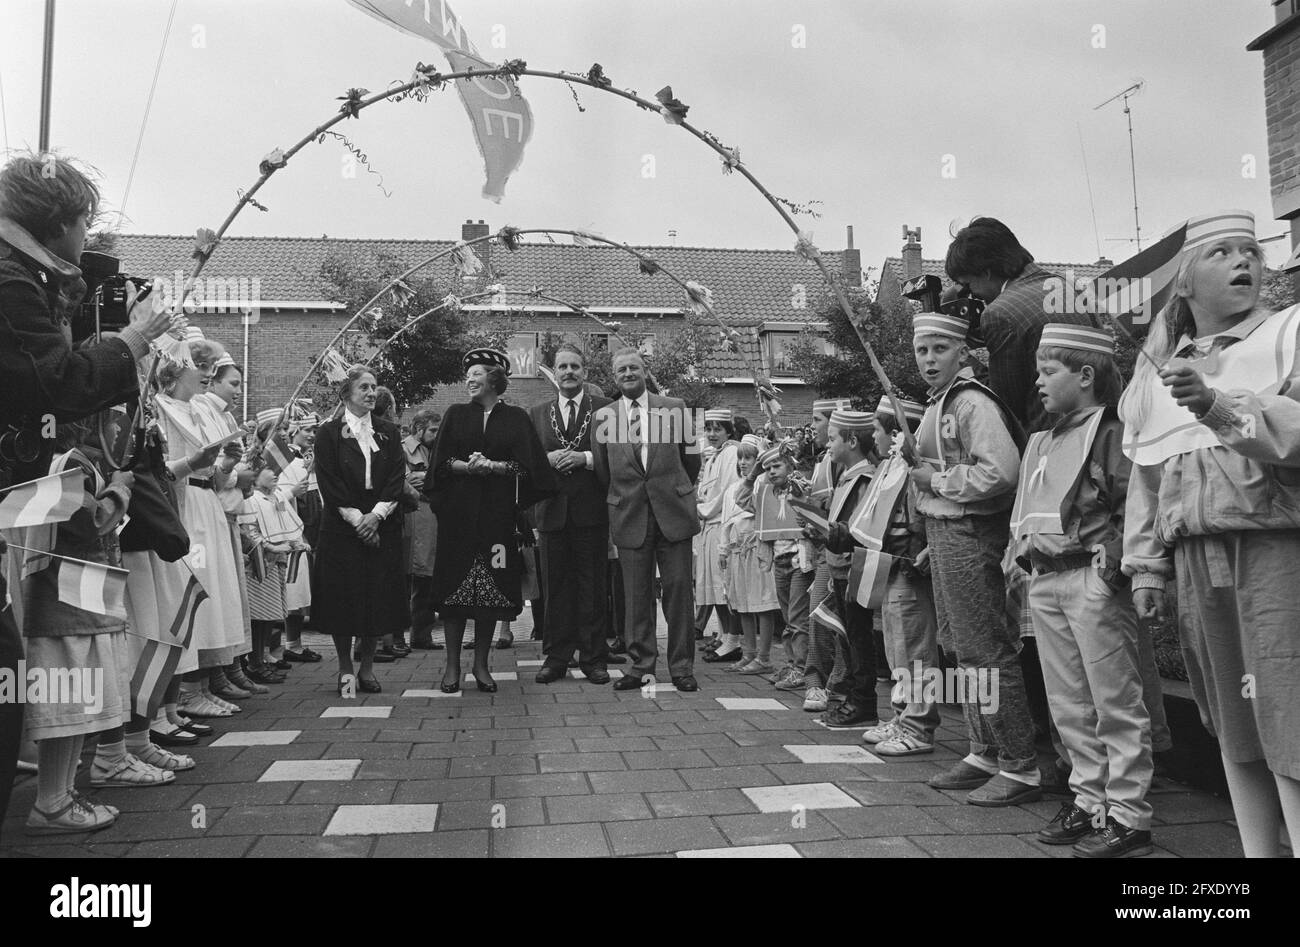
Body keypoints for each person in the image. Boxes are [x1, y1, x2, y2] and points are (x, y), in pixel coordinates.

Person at [0, 152, 177, 837]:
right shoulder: (15, 283)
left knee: (82, 642)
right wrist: (130, 338)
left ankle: (76, 775)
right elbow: (63, 383)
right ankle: (55, 793)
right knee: (53, 647)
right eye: (85, 223)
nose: (87, 239)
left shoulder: (32, 279)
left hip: (60, 503)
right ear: (61, 222)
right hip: (38, 505)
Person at [1122, 210, 1300, 858]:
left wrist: (1219, 405)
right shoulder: (1161, 371)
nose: (1243, 262)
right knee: (1232, 720)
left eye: (1250, 250)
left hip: (1275, 548)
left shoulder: (1288, 336)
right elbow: (1147, 477)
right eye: (1222, 252)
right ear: (1185, 282)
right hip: (1199, 559)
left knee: (1289, 712)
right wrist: (1146, 565)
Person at [1006, 323, 1154, 857]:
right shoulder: (1042, 437)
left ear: (1086, 376)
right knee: (1068, 703)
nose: (1039, 383)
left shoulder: (1109, 431)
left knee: (1113, 699)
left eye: (1050, 372)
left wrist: (1113, 562)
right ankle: (1090, 800)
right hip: (1045, 580)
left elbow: (1130, 500)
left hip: (1088, 578)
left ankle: (1130, 814)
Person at [907, 311, 1040, 806]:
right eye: (922, 351)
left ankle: (1020, 764)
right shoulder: (939, 404)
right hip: (945, 532)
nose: (928, 360)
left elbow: (1001, 472)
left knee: (984, 646)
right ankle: (984, 749)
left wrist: (935, 481)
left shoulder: (969, 402)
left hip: (970, 531)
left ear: (962, 353)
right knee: (959, 645)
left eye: (939, 350)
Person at [426, 350, 556, 693]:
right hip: (458, 519)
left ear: (494, 380)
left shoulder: (515, 418)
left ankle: (481, 666)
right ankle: (452, 667)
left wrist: (496, 467)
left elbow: (534, 470)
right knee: (455, 595)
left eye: (477, 374)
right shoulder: (455, 415)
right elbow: (438, 467)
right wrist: (469, 467)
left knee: (489, 595)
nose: (469, 379)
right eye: (467, 374)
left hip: (497, 520)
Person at [592, 347, 702, 692]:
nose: (628, 374)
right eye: (621, 369)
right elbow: (602, 469)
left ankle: (682, 666)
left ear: (645, 372)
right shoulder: (604, 417)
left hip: (673, 512)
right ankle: (640, 666)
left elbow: (692, 461)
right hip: (629, 513)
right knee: (636, 596)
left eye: (634, 368)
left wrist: (671, 488)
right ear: (614, 377)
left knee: (679, 592)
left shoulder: (675, 409)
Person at [153, 335, 250, 718]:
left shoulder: (197, 409)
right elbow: (163, 465)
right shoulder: (162, 408)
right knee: (196, 584)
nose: (208, 375)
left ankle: (198, 685)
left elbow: (216, 474)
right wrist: (198, 463)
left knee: (213, 591)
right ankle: (185, 692)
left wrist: (225, 464)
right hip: (184, 504)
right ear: (179, 369)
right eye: (202, 367)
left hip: (205, 501)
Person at [312, 366, 409, 696]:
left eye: (374, 387)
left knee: (375, 599)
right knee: (344, 600)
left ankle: (367, 669)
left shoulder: (388, 432)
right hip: (343, 526)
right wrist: (359, 520)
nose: (371, 393)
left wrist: (377, 516)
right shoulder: (328, 434)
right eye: (364, 388)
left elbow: (396, 477)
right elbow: (329, 481)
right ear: (346, 394)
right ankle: (345, 669)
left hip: (381, 521)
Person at [858, 396, 940, 757]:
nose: (872, 436)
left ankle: (919, 726)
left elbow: (928, 513)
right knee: (896, 649)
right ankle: (902, 714)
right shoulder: (888, 466)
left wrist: (926, 549)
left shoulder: (911, 465)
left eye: (876, 429)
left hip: (909, 566)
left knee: (916, 651)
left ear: (894, 431)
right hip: (888, 566)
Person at [527, 345, 613, 684]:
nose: (568, 372)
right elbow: (527, 461)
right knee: (555, 587)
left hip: (591, 511)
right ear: (555, 373)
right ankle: (556, 657)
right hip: (552, 513)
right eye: (562, 366)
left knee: (592, 586)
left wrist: (586, 459)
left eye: (575, 366)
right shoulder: (536, 413)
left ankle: (594, 658)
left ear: (585, 372)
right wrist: (545, 460)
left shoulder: (606, 409)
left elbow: (617, 456)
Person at [802, 409, 879, 729]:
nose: (828, 444)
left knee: (859, 639)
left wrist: (824, 529)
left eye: (833, 438)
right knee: (848, 639)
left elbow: (856, 529)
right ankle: (853, 698)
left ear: (852, 440)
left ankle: (864, 702)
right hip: (839, 567)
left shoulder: (865, 478)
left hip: (852, 568)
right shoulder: (847, 476)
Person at [718, 437, 779, 673]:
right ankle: (749, 652)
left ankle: (763, 656)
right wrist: (723, 549)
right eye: (740, 458)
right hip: (736, 549)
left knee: (761, 602)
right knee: (741, 602)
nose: (743, 463)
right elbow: (727, 522)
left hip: (755, 547)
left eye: (749, 458)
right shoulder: (733, 488)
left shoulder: (763, 485)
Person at [697, 409, 742, 662]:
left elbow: (726, 491)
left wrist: (700, 509)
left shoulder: (731, 454)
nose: (712, 434)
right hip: (708, 524)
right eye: (708, 428)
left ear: (728, 430)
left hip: (719, 524)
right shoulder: (715, 455)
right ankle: (725, 635)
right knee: (713, 587)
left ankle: (733, 639)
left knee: (723, 587)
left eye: (717, 429)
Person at [403, 409, 442, 650]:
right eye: (432, 430)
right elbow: (406, 482)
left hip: (431, 518)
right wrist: (430, 479)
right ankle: (402, 636)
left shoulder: (435, 449)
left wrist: (425, 477)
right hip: (413, 517)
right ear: (419, 429)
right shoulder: (403, 449)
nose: (436, 435)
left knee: (427, 579)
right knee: (411, 578)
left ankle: (421, 636)